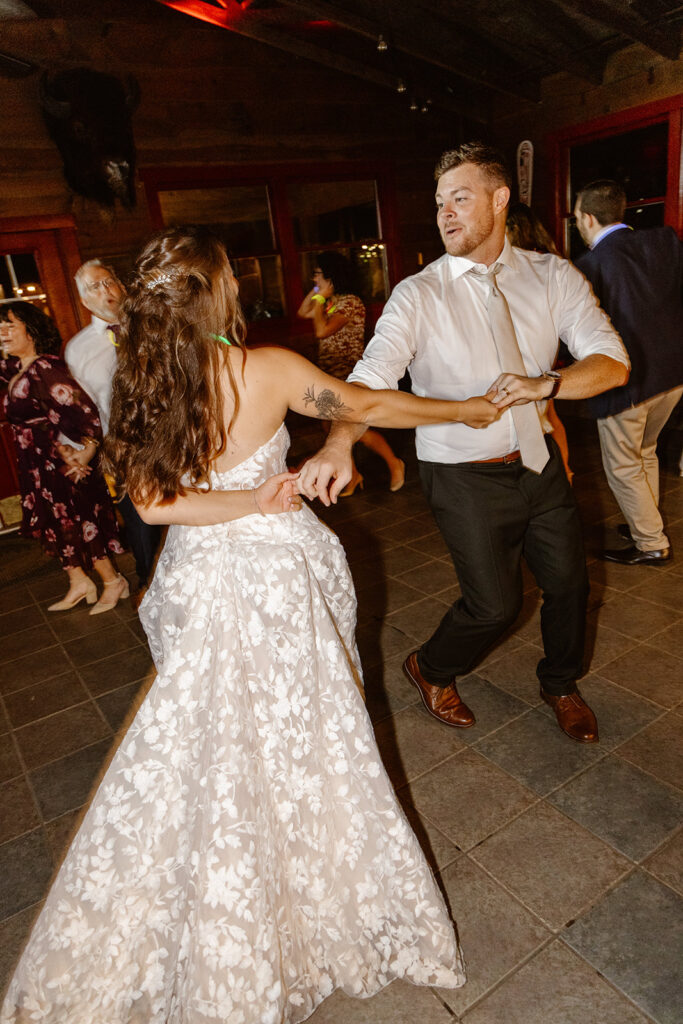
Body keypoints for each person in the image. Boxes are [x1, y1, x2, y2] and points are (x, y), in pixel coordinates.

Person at [0, 225, 516, 1023]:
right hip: (276, 572)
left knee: (209, 731)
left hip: (203, 575)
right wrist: (477, 407)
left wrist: (241, 500)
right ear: (214, 293)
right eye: (230, 282)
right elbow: (372, 403)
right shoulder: (266, 369)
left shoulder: (140, 383)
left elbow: (151, 506)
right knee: (310, 731)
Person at [300, 141, 631, 745]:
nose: (445, 213)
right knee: (495, 605)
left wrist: (547, 384)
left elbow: (612, 364)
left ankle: (560, 683)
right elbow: (368, 381)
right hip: (462, 475)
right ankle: (429, 668)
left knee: (569, 585)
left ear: (500, 200)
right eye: (438, 203)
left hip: (539, 464)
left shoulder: (552, 275)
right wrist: (337, 443)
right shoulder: (417, 295)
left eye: (460, 198)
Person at [574, 179, 683, 565]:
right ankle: (645, 522)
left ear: (587, 217)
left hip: (629, 382)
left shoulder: (589, 266)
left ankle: (650, 542)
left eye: (576, 218)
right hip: (673, 375)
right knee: (646, 451)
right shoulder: (664, 242)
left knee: (622, 464)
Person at [0, 301, 126, 614]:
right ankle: (79, 581)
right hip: (36, 461)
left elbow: (82, 410)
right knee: (56, 522)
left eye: (9, 325)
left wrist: (86, 449)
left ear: (31, 331)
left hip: (60, 460)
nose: (2, 333)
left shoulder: (44, 368)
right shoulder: (18, 369)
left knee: (79, 519)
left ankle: (113, 581)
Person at [65, 259, 161, 593]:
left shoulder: (153, 327)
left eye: (109, 281)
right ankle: (149, 584)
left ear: (121, 286)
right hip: (120, 446)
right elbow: (80, 407)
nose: (105, 290)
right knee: (138, 521)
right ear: (83, 300)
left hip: (168, 436)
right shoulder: (79, 349)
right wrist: (80, 449)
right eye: (95, 286)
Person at [297, 251, 406, 495]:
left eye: (318, 273)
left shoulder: (350, 302)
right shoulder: (332, 299)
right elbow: (303, 312)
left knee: (354, 427)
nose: (314, 276)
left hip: (347, 371)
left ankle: (394, 463)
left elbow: (321, 331)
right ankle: (354, 475)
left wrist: (319, 300)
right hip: (329, 370)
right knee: (331, 428)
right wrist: (319, 292)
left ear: (331, 275)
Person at [506, 202, 573, 483]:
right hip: (547, 343)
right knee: (549, 411)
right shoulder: (547, 258)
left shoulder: (525, 266)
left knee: (540, 410)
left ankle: (549, 471)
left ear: (512, 228)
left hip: (529, 344)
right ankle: (565, 471)